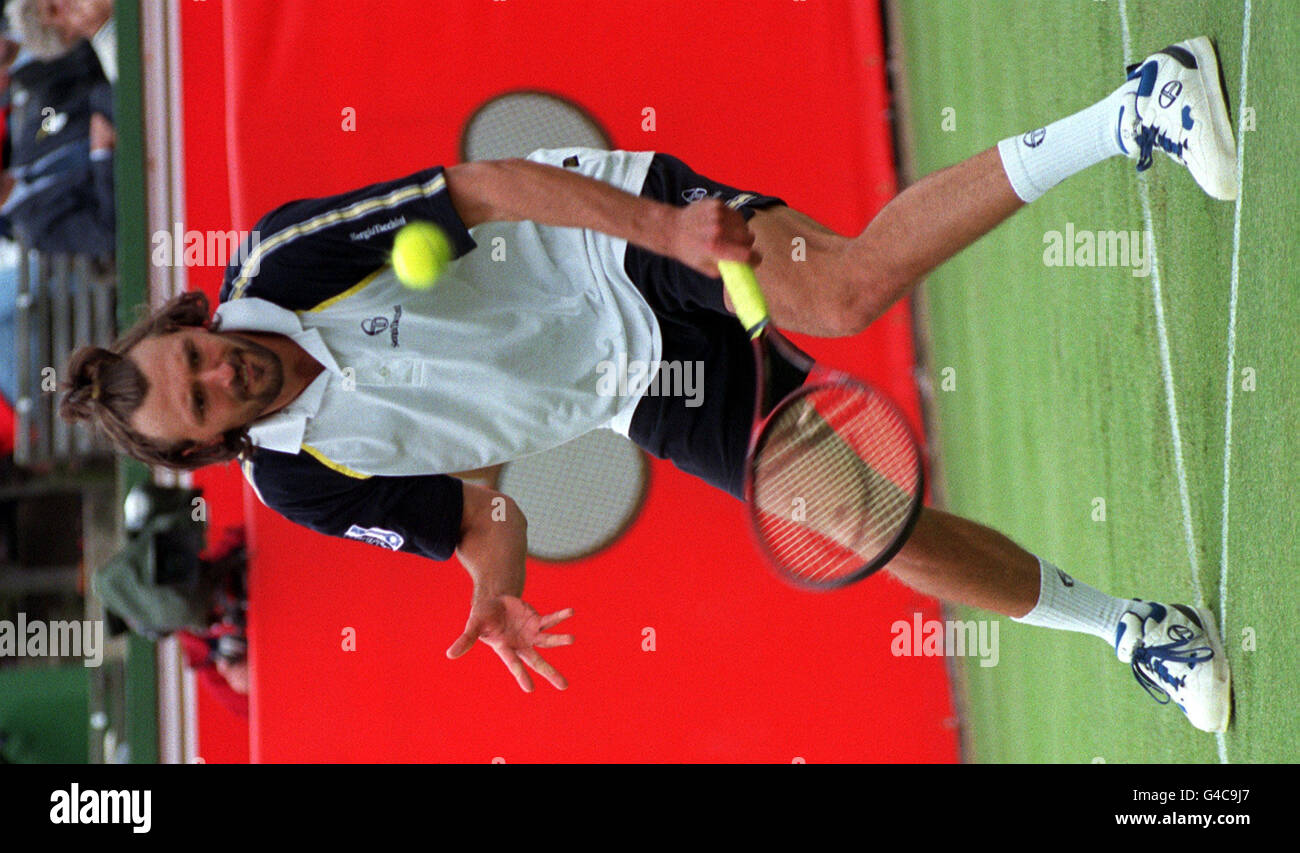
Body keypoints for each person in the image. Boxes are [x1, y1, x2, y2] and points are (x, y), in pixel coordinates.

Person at [60, 38, 1237, 731]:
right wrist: (499, 584)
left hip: (607, 237)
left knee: (835, 293)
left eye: (194, 354)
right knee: (856, 525)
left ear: (189, 322)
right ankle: (1133, 628)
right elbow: (485, 510)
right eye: (206, 399)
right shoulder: (300, 484)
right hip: (629, 386)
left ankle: (1136, 104)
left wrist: (668, 233)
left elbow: (490, 185)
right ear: (212, 449)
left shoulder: (281, 260)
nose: (220, 371)